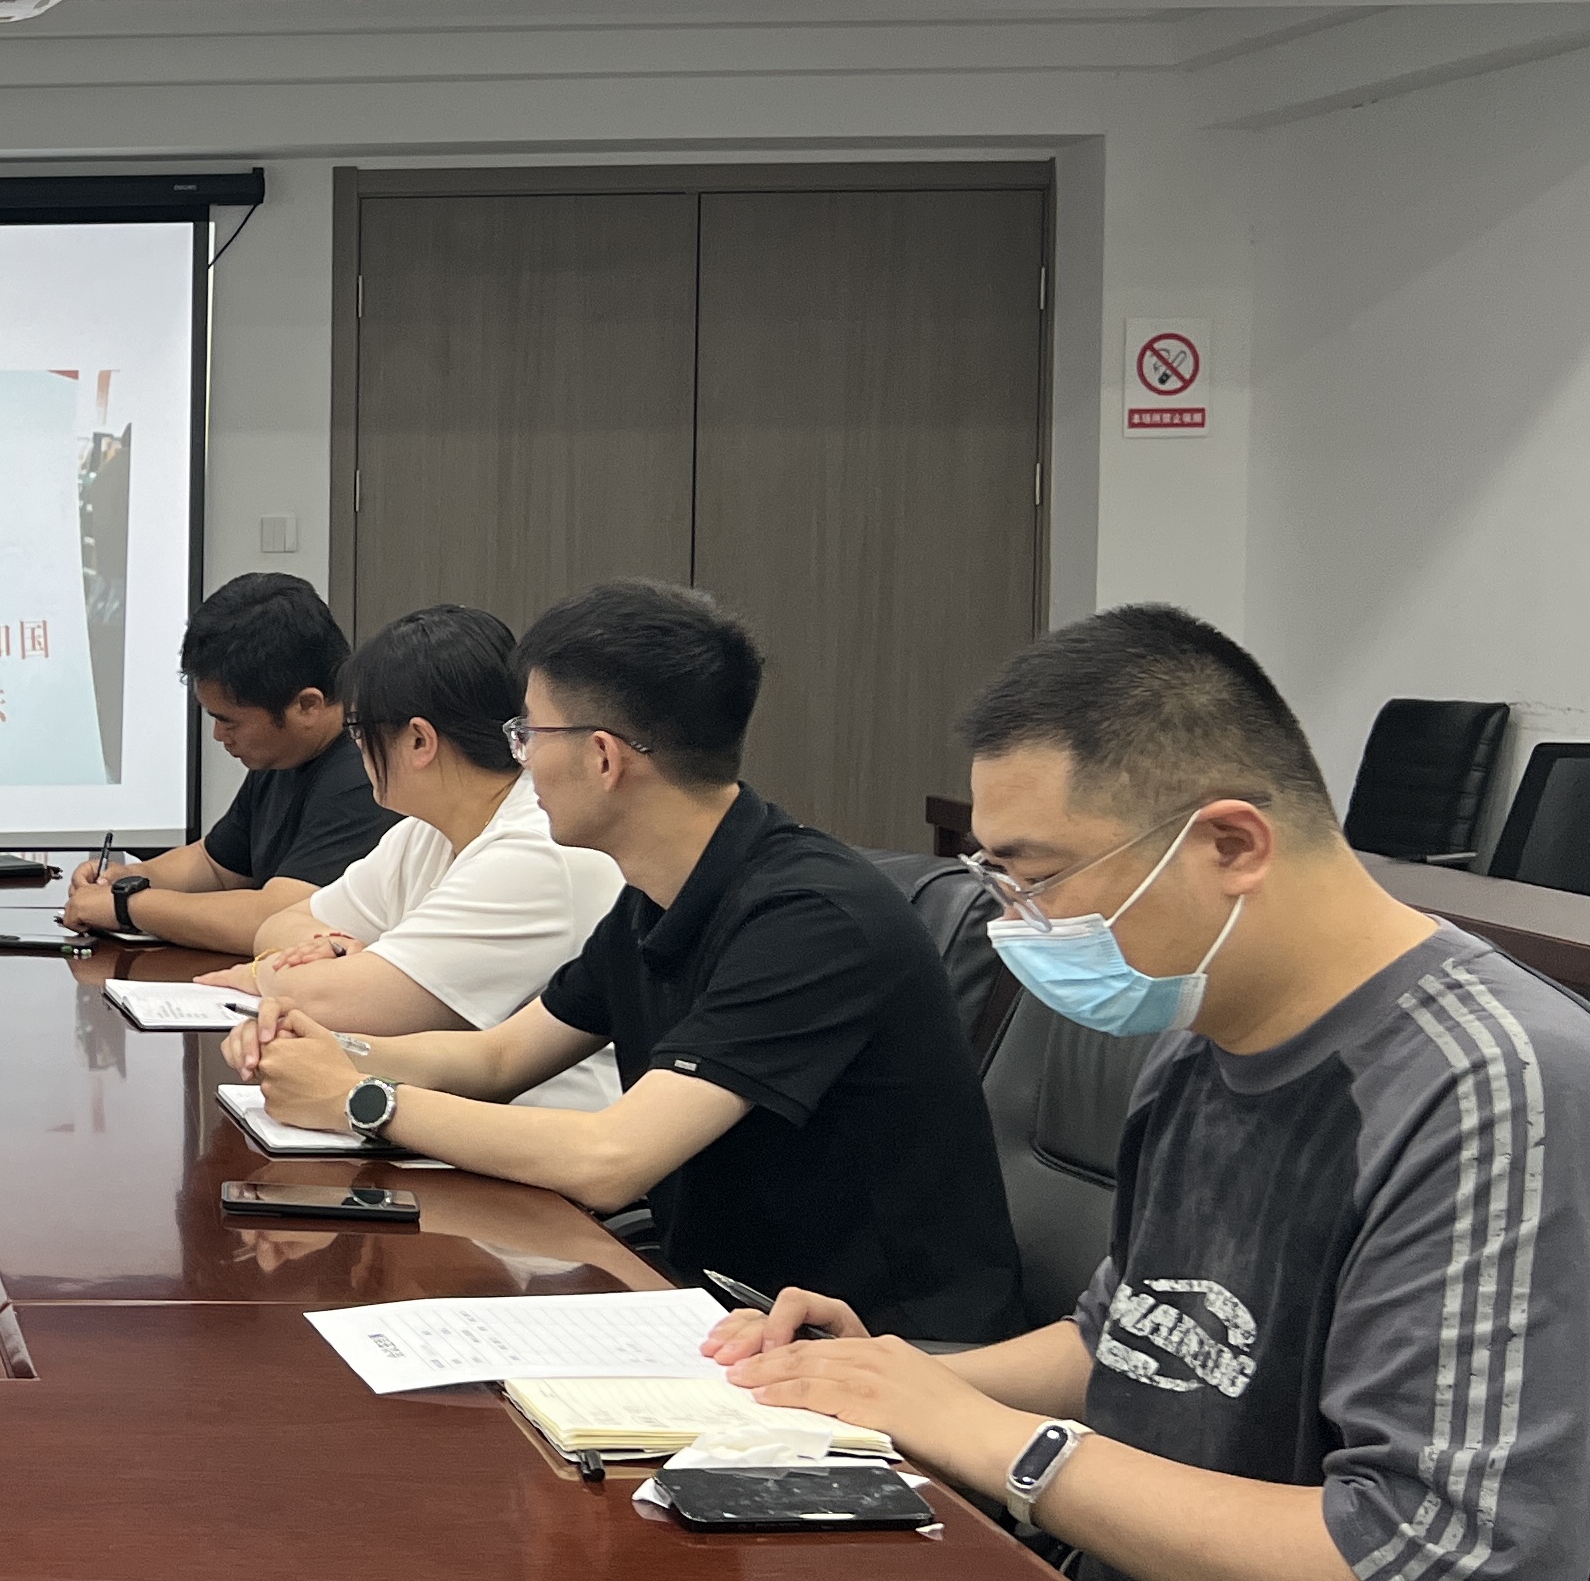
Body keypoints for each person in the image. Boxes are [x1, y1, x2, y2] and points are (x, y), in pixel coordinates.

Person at [689, 604, 1590, 1581]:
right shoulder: (1206, 1045)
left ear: (1229, 843)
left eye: (1041, 879)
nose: (1020, 926)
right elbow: (1131, 1338)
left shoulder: (1503, 1097)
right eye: (997, 883)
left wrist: (1009, 1450)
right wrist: (892, 1381)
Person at [230, 580, 1024, 1338]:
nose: (519, 763)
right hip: (718, 1308)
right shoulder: (660, 892)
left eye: (528, 736)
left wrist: (360, 1099)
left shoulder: (811, 919)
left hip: (869, 1345)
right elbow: (500, 1057)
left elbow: (610, 1159)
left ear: (604, 757)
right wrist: (330, 1052)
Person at [202, 604, 624, 1112]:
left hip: (534, 1136)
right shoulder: (423, 831)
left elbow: (340, 1004)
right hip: (447, 1115)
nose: (357, 752)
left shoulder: (535, 851)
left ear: (420, 740)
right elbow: (278, 927)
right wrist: (336, 950)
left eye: (359, 732)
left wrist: (263, 976)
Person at [60, 572, 393, 957]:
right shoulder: (284, 755)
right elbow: (215, 865)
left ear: (307, 705)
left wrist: (126, 906)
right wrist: (129, 878)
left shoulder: (368, 775)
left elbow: (276, 919)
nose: (219, 735)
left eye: (230, 721)